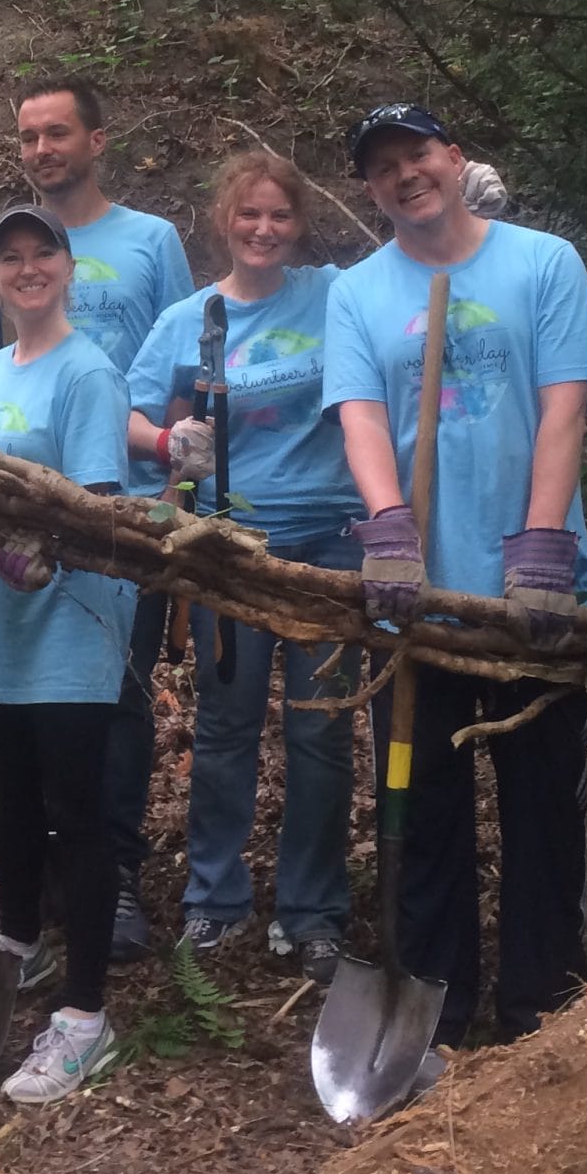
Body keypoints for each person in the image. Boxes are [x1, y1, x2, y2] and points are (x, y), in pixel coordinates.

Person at [322, 102, 587, 1045]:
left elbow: (564, 409)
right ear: (371, 189)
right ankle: (436, 1014)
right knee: (424, 810)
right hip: (416, 594)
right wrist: (388, 526)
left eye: (419, 154)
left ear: (454, 159)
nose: (406, 175)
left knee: (543, 807)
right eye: (383, 167)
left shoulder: (544, 264)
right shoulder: (358, 293)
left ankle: (541, 1007)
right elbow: (362, 417)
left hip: (531, 589)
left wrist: (542, 544)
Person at [0, 75, 192, 960]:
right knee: (29, 754)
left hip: (119, 513)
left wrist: (173, 480)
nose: (42, 149)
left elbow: (175, 362)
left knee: (113, 706)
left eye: (58, 132)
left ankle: (111, 877)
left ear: (97, 139)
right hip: (9, 550)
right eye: (28, 136)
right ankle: (41, 903)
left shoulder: (150, 241)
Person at [127, 150, 359, 987]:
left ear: (300, 224)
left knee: (321, 729)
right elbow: (128, 413)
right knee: (227, 725)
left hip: (331, 539)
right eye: (249, 214)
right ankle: (215, 899)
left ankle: (313, 911)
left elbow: (415, 277)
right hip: (231, 543)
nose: (264, 229)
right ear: (224, 221)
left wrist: (472, 205)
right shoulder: (189, 319)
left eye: (280, 215)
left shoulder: (334, 293)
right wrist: (167, 442)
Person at [0, 202, 132, 1101]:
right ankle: (18, 941)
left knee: (76, 814)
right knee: (11, 798)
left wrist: (47, 545)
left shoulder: (89, 372)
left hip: (70, 628)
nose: (26, 268)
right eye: (8, 257)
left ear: (67, 267)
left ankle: (86, 1015)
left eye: (41, 253)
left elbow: (96, 506)